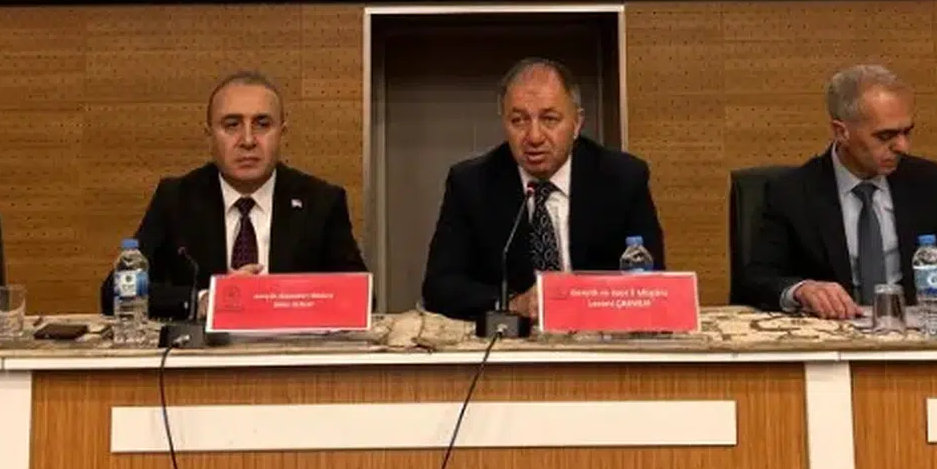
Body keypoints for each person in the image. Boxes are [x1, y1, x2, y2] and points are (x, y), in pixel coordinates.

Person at [740, 64, 937, 320]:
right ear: (842, 132)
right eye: (885, 136)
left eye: (907, 132)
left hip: (909, 337)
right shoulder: (792, 192)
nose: (902, 147)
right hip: (833, 338)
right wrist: (802, 289)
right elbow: (756, 279)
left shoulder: (925, 181)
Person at [100, 70, 367, 319]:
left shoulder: (321, 201)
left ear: (282, 134)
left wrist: (273, 299)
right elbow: (116, 290)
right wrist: (205, 301)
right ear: (210, 136)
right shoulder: (177, 198)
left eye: (262, 124)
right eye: (232, 125)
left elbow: (360, 297)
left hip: (289, 348)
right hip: (203, 351)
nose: (248, 140)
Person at [421, 58, 666, 321]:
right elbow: (440, 287)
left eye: (549, 119)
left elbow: (652, 282)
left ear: (577, 123)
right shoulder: (472, 184)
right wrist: (514, 304)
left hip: (598, 331)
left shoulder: (622, 178)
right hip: (514, 339)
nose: (534, 137)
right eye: (518, 121)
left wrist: (587, 301)